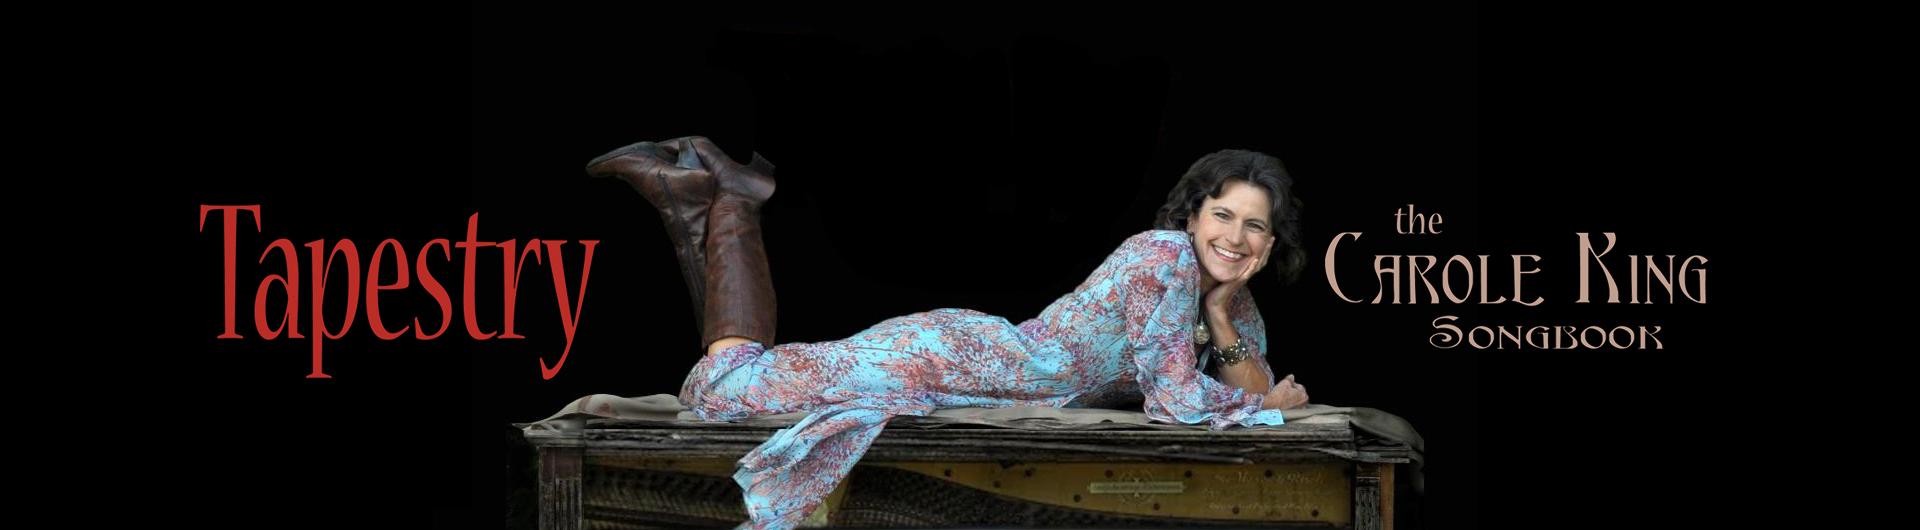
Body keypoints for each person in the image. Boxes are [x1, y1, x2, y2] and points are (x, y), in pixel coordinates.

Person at [586, 137, 1311, 530]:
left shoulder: (1230, 305)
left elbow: (1250, 383)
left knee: (744, 378)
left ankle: (710, 198)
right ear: (1192, 216)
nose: (1235, 237)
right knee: (731, 389)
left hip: (984, 374)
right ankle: (729, 200)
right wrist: (1266, 395)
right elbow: (1179, 397)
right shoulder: (1162, 257)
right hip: (958, 357)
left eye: (1256, 226)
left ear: (1271, 244)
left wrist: (1220, 320)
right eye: (1224, 216)